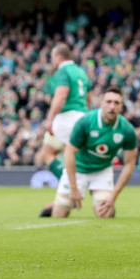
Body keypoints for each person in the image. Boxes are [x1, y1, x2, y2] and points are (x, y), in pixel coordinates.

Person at [51, 87, 137, 218]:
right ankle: (51, 207)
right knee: (61, 208)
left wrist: (114, 195)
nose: (112, 106)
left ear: (121, 107)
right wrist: (73, 188)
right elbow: (69, 152)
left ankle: (107, 203)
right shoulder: (85, 122)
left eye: (116, 103)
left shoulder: (127, 129)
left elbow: (130, 164)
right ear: (101, 103)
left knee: (105, 212)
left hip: (102, 170)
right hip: (78, 169)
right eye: (108, 102)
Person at [38, 43, 91, 217]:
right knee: (53, 152)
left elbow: (61, 95)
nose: (52, 61)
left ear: (59, 57)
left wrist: (50, 118)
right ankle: (68, 187)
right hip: (82, 116)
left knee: (55, 154)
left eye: (52, 57)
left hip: (66, 118)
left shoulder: (62, 71)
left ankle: (66, 191)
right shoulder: (81, 71)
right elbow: (88, 98)